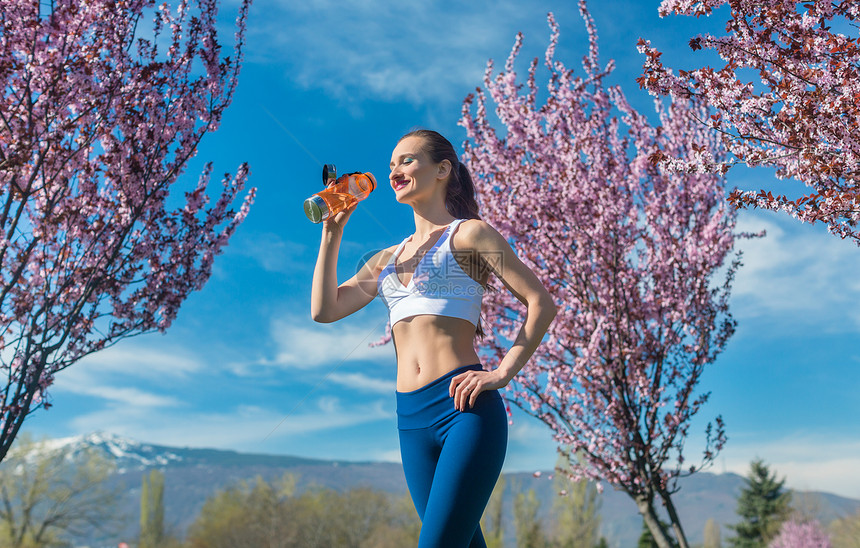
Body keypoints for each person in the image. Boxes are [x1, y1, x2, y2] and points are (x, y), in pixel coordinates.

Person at [310, 129, 557, 547]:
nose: (394, 171)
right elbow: (325, 310)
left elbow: (541, 302)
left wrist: (502, 372)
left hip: (464, 410)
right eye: (391, 165)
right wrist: (331, 234)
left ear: (442, 170)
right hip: (411, 419)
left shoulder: (470, 234)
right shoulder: (384, 259)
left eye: (407, 161)